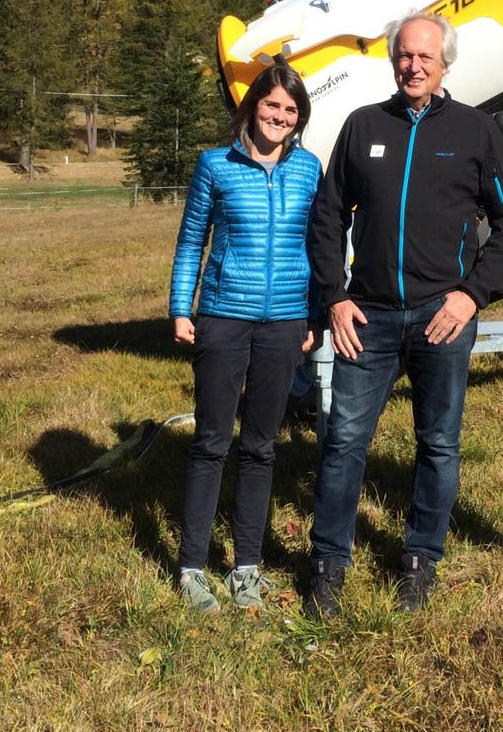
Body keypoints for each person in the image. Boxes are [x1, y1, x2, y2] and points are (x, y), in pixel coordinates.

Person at [304, 11, 503, 617]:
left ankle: (422, 559)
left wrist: (472, 293)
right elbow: (328, 217)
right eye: (405, 55)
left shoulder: (477, 131)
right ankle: (328, 561)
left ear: (445, 64)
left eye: (426, 57)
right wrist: (334, 295)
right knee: (345, 439)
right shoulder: (363, 125)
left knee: (438, 442)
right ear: (393, 59)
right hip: (367, 317)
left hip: (442, 314)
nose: (414, 66)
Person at [168, 64, 322, 613]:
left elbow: (317, 246)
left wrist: (314, 318)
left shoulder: (309, 169)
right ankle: (191, 569)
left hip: (284, 322)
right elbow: (191, 241)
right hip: (222, 317)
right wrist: (180, 308)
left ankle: (246, 569)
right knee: (212, 441)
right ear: (252, 104)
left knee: (261, 446)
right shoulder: (216, 165)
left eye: (291, 110)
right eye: (273, 105)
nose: (281, 117)